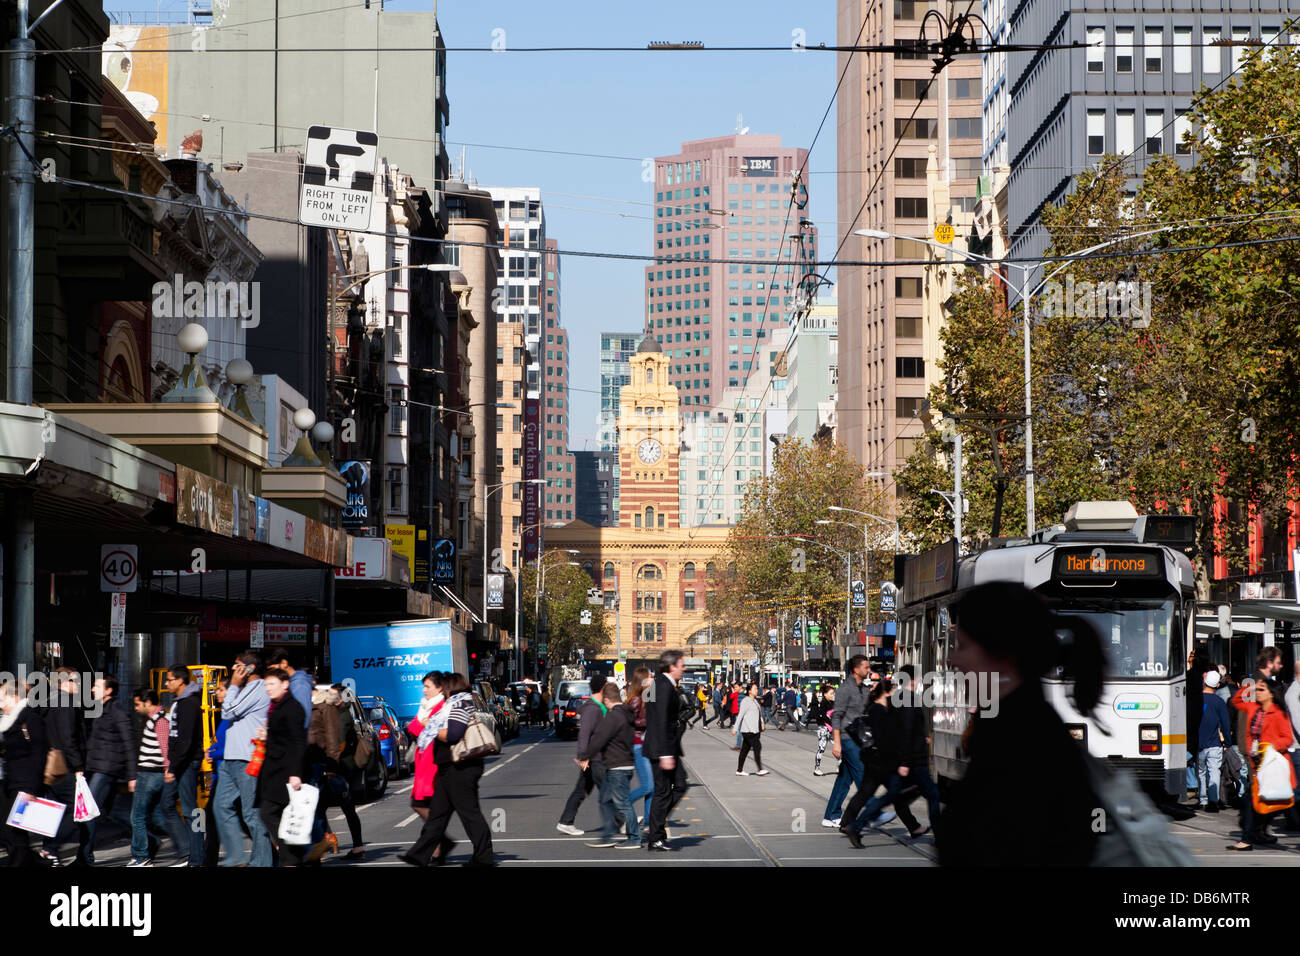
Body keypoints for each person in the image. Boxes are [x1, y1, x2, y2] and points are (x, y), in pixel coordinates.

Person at [938, 582, 1103, 866]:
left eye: (963, 646)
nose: (954, 660)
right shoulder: (1013, 729)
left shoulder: (1021, 746)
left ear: (1002, 655)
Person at [400, 673, 495, 866]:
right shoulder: (451, 705)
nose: (442, 691)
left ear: (451, 688)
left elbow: (453, 734)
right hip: (448, 769)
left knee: (470, 815)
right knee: (437, 815)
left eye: (444, 687)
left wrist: (430, 727)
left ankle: (484, 857)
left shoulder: (460, 704)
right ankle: (418, 855)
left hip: (461, 769)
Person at [842, 668, 936, 847]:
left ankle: (853, 824)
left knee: (884, 794)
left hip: (881, 762)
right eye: (891, 690)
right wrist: (904, 759)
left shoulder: (889, 707)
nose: (894, 692)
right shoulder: (882, 709)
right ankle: (854, 825)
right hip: (884, 762)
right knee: (892, 795)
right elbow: (893, 735)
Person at [214, 652, 272, 868]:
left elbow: (229, 712)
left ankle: (262, 862)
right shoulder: (243, 689)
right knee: (221, 806)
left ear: (249, 669)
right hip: (231, 758)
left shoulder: (257, 688)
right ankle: (237, 859)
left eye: (237, 665)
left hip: (247, 757)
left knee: (252, 815)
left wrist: (233, 686)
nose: (232, 669)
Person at [1227, 674, 1295, 850]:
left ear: (1271, 693)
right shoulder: (1254, 709)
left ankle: (1248, 838)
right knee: (1258, 803)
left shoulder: (1279, 713)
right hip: (1257, 767)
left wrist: (1271, 746)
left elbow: (1287, 739)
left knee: (1256, 804)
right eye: (1257, 690)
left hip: (1272, 766)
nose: (1258, 693)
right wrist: (1248, 687)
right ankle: (1256, 834)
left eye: (1261, 690)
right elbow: (1236, 701)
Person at [77, 674, 136, 866]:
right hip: (98, 767)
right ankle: (149, 838)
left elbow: (129, 743)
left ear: (109, 691)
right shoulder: (100, 710)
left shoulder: (117, 712)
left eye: (97, 686)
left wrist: (132, 775)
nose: (93, 689)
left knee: (87, 812)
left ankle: (85, 857)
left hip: (107, 769)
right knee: (116, 812)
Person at [255, 668, 309, 867]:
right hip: (274, 770)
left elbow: (298, 742)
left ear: (285, 684)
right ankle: (291, 855)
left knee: (269, 813)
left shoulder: (292, 707)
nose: (268, 688)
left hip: (284, 771)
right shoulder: (276, 706)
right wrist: (266, 736)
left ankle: (291, 856)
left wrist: (296, 773)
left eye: (272, 684)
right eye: (266, 684)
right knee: (273, 814)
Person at [582, 683, 642, 849]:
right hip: (621, 764)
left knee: (622, 803)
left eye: (604, 702)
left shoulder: (614, 716)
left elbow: (600, 738)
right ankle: (608, 835)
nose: (604, 705)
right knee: (605, 800)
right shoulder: (626, 713)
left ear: (607, 699)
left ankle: (634, 837)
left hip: (617, 766)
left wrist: (584, 755)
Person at [38, 667, 86, 866]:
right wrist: (78, 766)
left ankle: (49, 849)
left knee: (55, 808)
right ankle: (50, 847)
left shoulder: (48, 701)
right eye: (76, 681)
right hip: (64, 764)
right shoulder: (65, 702)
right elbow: (68, 738)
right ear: (64, 683)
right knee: (78, 811)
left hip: (51, 764)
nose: (80, 685)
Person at [405, 672, 454, 863]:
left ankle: (439, 845)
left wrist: (421, 724)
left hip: (432, 760)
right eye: (424, 686)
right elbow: (413, 727)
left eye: (428, 686)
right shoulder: (426, 706)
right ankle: (439, 844)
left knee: (423, 803)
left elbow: (418, 728)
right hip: (423, 760)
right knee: (422, 804)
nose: (424, 690)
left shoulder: (441, 707)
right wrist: (420, 725)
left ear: (439, 688)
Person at [0, 679, 48, 867]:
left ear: (14, 697)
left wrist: (31, 788)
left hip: (25, 784)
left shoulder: (30, 719)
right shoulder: (8, 722)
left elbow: (39, 754)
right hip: (10, 783)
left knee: (14, 831)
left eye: (3, 699)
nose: (0, 704)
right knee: (9, 832)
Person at [643, 650, 688, 851]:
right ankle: (655, 835)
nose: (684, 668)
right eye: (682, 665)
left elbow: (649, 708)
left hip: (663, 746)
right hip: (662, 748)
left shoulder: (659, 683)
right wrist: (665, 753)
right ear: (672, 666)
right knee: (663, 791)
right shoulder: (663, 686)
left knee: (678, 784)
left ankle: (656, 828)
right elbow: (660, 720)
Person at [160, 666, 204, 867]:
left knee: (191, 810)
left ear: (180, 681)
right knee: (167, 804)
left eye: (169, 680)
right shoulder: (181, 702)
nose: (166, 684)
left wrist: (173, 767)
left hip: (185, 763)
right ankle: (188, 850)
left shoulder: (189, 703)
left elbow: (185, 740)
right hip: (178, 763)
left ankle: (197, 856)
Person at [821, 656, 872, 828]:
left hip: (860, 739)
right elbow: (836, 716)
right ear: (856, 669)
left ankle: (831, 816)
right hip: (846, 738)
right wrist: (836, 742)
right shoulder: (844, 689)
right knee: (862, 774)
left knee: (844, 779)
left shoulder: (865, 690)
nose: (868, 670)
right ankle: (875, 811)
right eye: (866, 667)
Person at [556, 675, 609, 837]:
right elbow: (584, 734)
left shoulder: (599, 705)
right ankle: (622, 821)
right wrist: (583, 756)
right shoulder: (593, 708)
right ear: (602, 687)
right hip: (595, 757)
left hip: (593, 756)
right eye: (606, 684)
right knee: (608, 790)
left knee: (581, 790)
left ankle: (565, 822)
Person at [127, 689, 170, 867]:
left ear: (148, 702)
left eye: (138, 704)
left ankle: (140, 856)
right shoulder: (152, 720)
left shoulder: (159, 721)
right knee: (157, 816)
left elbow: (165, 747)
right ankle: (188, 844)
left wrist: (168, 770)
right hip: (150, 774)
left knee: (137, 817)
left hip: (150, 774)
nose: (136, 708)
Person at [328, 684, 367, 861]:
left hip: (342, 768)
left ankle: (354, 846)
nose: (328, 696)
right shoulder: (335, 713)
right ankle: (355, 846)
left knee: (344, 806)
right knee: (345, 808)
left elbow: (340, 743)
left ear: (341, 698)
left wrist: (331, 764)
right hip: (340, 767)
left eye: (332, 694)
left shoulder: (342, 715)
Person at [203, 679, 230, 866]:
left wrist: (214, 752)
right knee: (213, 817)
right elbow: (219, 741)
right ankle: (209, 859)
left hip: (227, 774)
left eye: (221, 689)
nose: (217, 693)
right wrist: (212, 749)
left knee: (213, 816)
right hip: (220, 774)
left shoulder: (232, 717)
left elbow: (233, 745)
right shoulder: (225, 715)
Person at [1197, 669, 1232, 813]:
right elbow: (1225, 723)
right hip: (1215, 743)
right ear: (1217, 685)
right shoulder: (1219, 702)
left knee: (1200, 771)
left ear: (1204, 682)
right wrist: (1227, 742)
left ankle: (1202, 798)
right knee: (1214, 771)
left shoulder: (1196, 699)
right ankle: (1213, 800)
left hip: (1198, 743)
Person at [626, 667, 655, 826]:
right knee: (647, 786)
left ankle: (648, 824)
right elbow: (631, 721)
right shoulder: (636, 700)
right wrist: (648, 722)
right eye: (649, 678)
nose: (652, 680)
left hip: (646, 745)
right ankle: (622, 806)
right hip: (638, 745)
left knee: (652, 788)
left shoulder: (645, 697)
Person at [266, 648, 313, 730]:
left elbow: (302, 720)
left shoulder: (299, 685)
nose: (272, 673)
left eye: (273, 669)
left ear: (284, 663)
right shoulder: (290, 683)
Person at [735, 683, 770, 776]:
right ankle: (760, 769)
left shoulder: (755, 701)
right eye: (754, 689)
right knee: (757, 747)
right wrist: (735, 728)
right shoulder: (746, 701)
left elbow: (758, 715)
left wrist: (762, 724)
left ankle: (739, 770)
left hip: (755, 730)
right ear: (749, 691)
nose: (756, 690)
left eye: (757, 689)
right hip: (748, 730)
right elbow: (740, 715)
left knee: (744, 750)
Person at [809, 685, 836, 775]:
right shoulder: (823, 703)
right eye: (831, 693)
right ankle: (817, 768)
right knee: (821, 748)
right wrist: (831, 721)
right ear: (825, 694)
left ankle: (840, 766)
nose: (832, 695)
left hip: (832, 729)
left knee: (838, 747)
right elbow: (822, 716)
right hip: (824, 728)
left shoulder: (832, 703)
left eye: (833, 693)